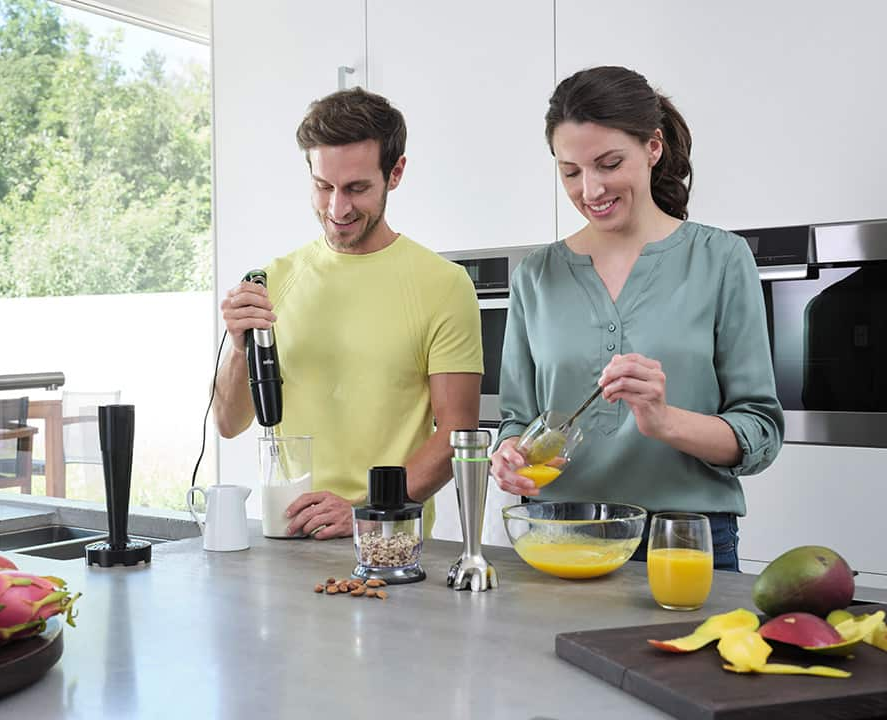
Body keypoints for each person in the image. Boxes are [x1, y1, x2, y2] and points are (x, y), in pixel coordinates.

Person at [490, 66, 784, 571]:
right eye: (571, 172)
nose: (591, 189)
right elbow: (516, 419)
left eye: (609, 163)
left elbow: (759, 432)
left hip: (684, 540)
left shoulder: (721, 258)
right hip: (557, 535)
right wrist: (509, 454)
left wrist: (665, 421)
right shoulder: (536, 274)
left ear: (653, 147)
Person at [214, 88, 483, 539]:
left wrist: (368, 510)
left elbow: (457, 433)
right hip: (288, 540)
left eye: (357, 188)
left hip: (390, 542)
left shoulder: (444, 285)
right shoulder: (271, 280)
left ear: (395, 173)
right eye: (324, 187)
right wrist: (239, 351)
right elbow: (227, 423)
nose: (337, 209)